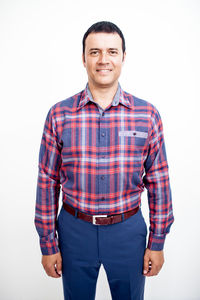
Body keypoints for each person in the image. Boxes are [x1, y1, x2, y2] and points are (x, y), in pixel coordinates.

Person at [34, 21, 174, 300]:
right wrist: (48, 244)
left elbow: (159, 181)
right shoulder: (59, 115)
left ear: (123, 56)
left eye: (112, 51)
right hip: (74, 231)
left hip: (127, 231)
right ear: (83, 58)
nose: (103, 60)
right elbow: (47, 181)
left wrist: (157, 242)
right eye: (95, 52)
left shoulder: (147, 115)